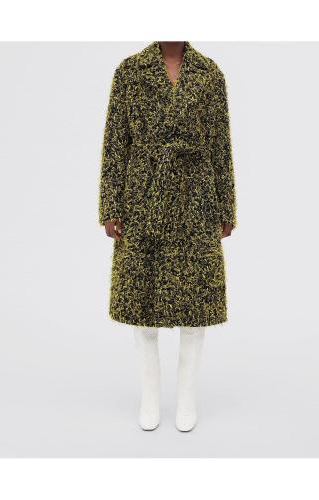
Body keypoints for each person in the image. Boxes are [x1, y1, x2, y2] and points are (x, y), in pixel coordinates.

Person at [99, 41, 237, 431]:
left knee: (196, 303)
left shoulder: (209, 74)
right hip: (142, 194)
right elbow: (115, 143)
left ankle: (187, 398)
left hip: (197, 196)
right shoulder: (130, 71)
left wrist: (226, 207)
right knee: (143, 301)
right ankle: (150, 397)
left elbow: (220, 146)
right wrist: (110, 204)